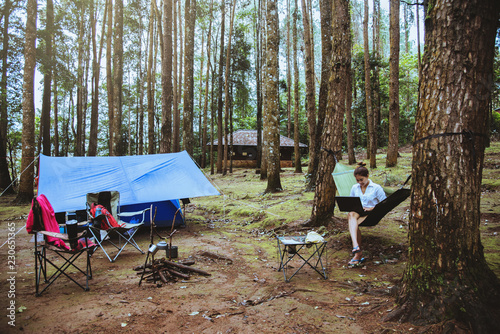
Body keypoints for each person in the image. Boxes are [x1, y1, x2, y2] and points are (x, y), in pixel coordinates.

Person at [347, 162, 386, 267]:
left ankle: (357, 254)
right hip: (359, 212)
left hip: (372, 213)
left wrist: (372, 208)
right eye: (357, 180)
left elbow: (385, 204)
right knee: (351, 214)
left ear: (367, 176)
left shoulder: (376, 188)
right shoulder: (355, 188)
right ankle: (356, 246)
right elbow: (352, 202)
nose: (360, 182)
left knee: (354, 224)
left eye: (361, 180)